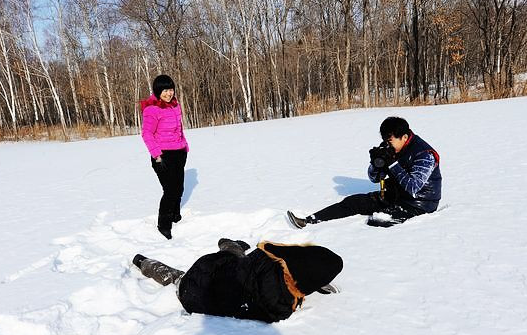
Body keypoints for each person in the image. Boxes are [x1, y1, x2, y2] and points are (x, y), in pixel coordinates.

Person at [132, 239, 343, 323]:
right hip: (198, 290)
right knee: (176, 278)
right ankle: (144, 263)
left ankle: (142, 261)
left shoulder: (267, 260)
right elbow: (296, 284)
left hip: (210, 274)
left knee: (236, 257)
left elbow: (281, 254)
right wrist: (312, 283)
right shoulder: (280, 306)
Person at [287, 116, 442, 228]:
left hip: (420, 204)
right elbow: (374, 178)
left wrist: (392, 163)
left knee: (377, 221)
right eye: (385, 140)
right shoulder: (392, 147)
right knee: (353, 202)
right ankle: (308, 220)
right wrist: (376, 164)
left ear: (404, 137)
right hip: (396, 195)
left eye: (390, 141)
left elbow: (414, 187)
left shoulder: (424, 154)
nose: (387, 144)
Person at [141, 74, 189, 239]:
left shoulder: (175, 105)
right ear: (157, 91)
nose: (169, 93)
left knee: (179, 187)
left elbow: (179, 129)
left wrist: (185, 146)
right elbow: (146, 134)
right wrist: (157, 156)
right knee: (170, 190)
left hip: (179, 152)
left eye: (171, 89)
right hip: (162, 155)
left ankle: (175, 215)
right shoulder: (151, 110)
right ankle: (164, 224)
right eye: (165, 90)